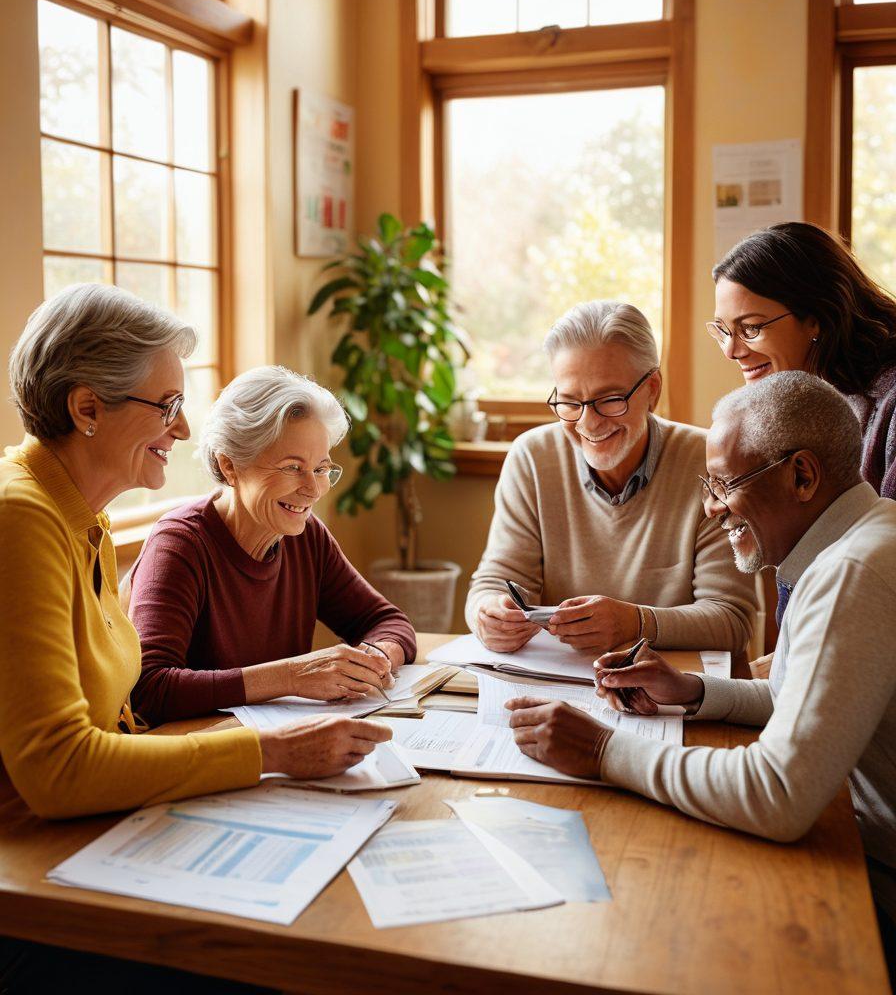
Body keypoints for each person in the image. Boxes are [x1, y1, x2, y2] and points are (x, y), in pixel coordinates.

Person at [0, 285, 390, 992]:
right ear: (86, 408)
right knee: (284, 963)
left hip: (90, 840)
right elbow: (57, 769)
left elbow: (119, 715)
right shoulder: (20, 520)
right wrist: (272, 753)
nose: (183, 433)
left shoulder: (75, 516)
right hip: (32, 889)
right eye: (167, 407)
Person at [506, 371, 896, 968]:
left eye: (723, 484)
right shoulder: (856, 544)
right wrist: (693, 691)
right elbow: (814, 700)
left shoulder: (851, 573)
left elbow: (779, 795)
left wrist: (602, 753)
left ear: (802, 475)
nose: (712, 507)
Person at [127, 366, 417, 726]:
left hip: (276, 749)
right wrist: (293, 676)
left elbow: (387, 621)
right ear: (230, 466)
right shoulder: (180, 545)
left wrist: (375, 658)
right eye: (292, 467)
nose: (313, 489)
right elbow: (150, 688)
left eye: (322, 468)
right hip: (199, 757)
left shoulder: (307, 536)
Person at [465, 300, 756, 656]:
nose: (589, 423)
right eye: (570, 402)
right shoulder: (532, 458)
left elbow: (731, 621)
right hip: (558, 688)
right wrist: (487, 614)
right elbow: (496, 581)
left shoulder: (711, 463)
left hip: (672, 695)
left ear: (652, 389)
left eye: (610, 399)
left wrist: (635, 623)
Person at [710, 220, 896, 499]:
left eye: (751, 328)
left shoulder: (890, 405)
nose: (731, 351)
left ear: (815, 318)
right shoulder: (786, 409)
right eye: (723, 330)